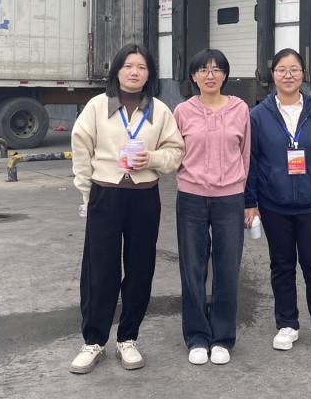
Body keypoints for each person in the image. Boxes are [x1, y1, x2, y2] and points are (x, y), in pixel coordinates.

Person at [69, 43, 184, 374]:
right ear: (117, 70)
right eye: (128, 66)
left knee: (140, 267)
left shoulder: (159, 110)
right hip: (105, 194)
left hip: (144, 197)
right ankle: (93, 341)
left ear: (150, 74)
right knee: (100, 269)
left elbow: (176, 151)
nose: (135, 72)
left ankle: (128, 338)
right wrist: (86, 193)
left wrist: (154, 158)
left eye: (142, 67)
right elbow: (81, 149)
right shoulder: (97, 106)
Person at [245, 48, 311, 353]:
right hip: (274, 204)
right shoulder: (258, 116)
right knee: (282, 265)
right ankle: (287, 324)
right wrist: (251, 202)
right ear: (272, 75)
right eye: (282, 70)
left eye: (294, 69)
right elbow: (251, 162)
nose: (288, 75)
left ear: (303, 74)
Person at [173, 49, 251, 366]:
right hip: (191, 196)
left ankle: (221, 337)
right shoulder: (182, 111)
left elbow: (246, 154)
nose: (210, 75)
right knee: (192, 267)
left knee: (227, 267)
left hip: (230, 197)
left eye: (217, 69)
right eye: (203, 69)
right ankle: (197, 336)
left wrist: (246, 198)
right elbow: (174, 151)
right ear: (193, 76)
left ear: (225, 75)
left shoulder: (240, 109)